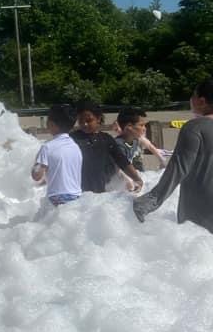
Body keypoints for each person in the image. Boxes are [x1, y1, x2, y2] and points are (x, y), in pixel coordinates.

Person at [133, 78, 213, 234]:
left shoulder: (194, 128)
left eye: (193, 95)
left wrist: (150, 201)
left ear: (202, 101)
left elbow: (178, 168)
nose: (191, 99)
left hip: (200, 205)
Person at [70, 101, 143, 193]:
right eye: (80, 120)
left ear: (98, 118)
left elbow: (122, 161)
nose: (84, 124)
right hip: (78, 192)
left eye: (89, 120)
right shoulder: (72, 139)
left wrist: (137, 179)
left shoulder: (106, 139)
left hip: (101, 193)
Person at [32, 104, 83, 206]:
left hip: (57, 197)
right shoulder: (76, 147)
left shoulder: (47, 147)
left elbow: (37, 175)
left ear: (51, 124)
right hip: (77, 196)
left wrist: (35, 164)